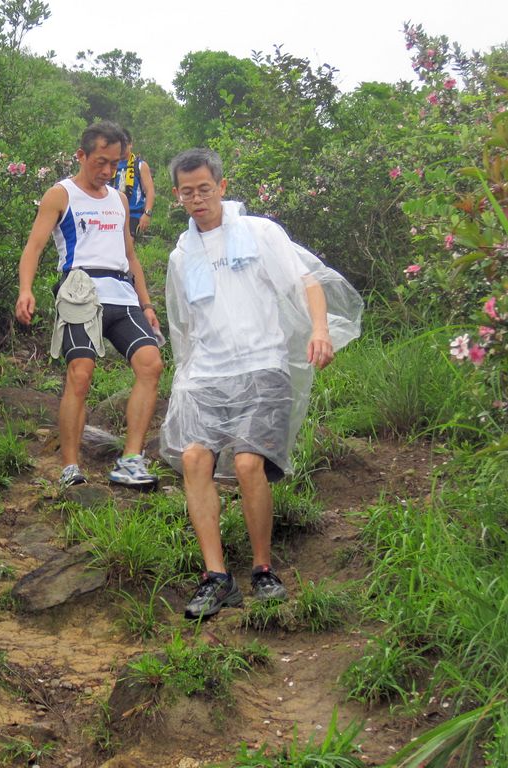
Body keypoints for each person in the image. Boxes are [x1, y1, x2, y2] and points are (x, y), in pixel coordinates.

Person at [160, 148, 362, 620]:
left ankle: (263, 569)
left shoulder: (259, 232)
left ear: (221, 186)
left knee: (249, 463)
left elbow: (307, 282)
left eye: (204, 189)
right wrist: (184, 378)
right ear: (177, 196)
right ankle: (217, 578)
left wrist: (319, 330)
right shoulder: (181, 254)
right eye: (187, 192)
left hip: (263, 365)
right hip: (207, 373)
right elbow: (185, 326)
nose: (197, 199)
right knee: (194, 459)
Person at [15, 121, 164, 489]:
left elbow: (130, 255)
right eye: (101, 162)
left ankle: (131, 460)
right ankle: (70, 467)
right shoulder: (60, 194)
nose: (108, 171)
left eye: (115, 164)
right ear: (81, 155)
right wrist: (25, 290)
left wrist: (146, 303)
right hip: (80, 290)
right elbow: (34, 246)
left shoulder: (119, 199)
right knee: (80, 373)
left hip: (122, 294)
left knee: (151, 364)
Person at [111, 129, 156, 238]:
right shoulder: (111, 165)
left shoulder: (140, 165)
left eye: (124, 144)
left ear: (130, 144)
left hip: (134, 214)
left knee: (128, 241)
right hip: (113, 213)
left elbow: (150, 190)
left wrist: (147, 214)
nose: (122, 148)